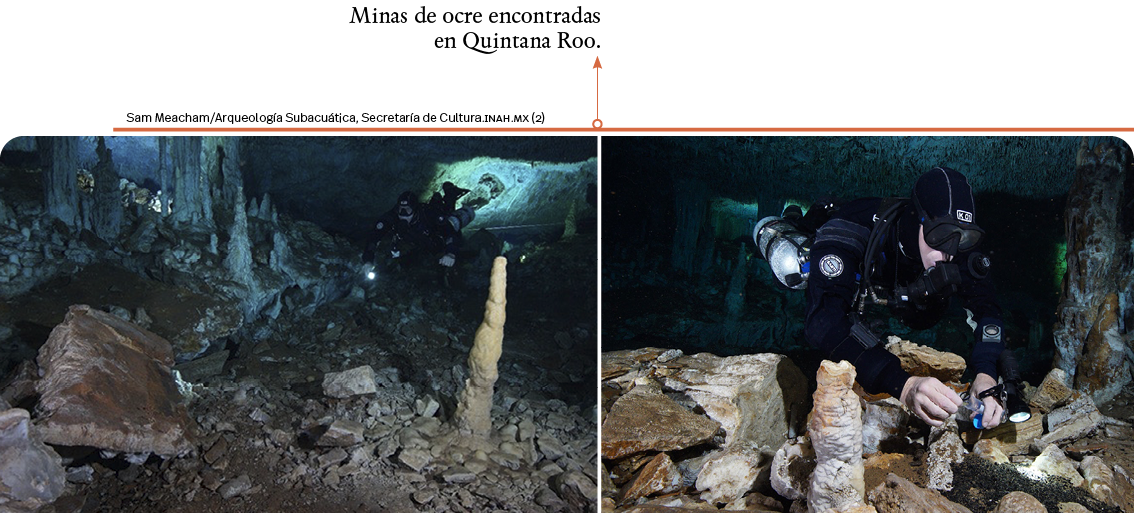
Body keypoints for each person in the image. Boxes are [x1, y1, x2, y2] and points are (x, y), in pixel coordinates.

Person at [803, 167, 1006, 428]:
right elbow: (823, 322)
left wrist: (986, 374)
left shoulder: (956, 247)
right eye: (940, 235)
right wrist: (904, 385)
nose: (949, 252)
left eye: (964, 237)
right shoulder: (856, 225)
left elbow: (987, 310)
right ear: (918, 219)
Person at [364, 182, 474, 269]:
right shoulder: (392, 216)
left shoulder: (428, 214)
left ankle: (450, 194)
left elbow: (450, 233)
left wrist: (451, 253)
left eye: (407, 211)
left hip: (434, 234)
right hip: (416, 241)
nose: (402, 215)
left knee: (447, 214)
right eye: (400, 210)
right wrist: (368, 261)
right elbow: (374, 237)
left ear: (415, 210)